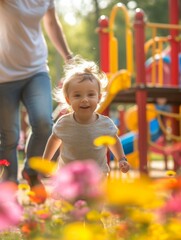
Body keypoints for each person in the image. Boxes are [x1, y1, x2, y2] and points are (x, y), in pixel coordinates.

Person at [0, 0, 73, 187]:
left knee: (44, 124)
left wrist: (67, 56)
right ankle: (9, 186)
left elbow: (51, 22)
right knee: (9, 137)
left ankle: (31, 172)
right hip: (4, 74)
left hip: (36, 69)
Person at [43, 56, 130, 175]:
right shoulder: (64, 123)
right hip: (69, 178)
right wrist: (45, 162)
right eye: (77, 95)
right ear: (68, 100)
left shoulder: (105, 124)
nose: (84, 100)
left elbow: (113, 141)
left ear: (99, 98)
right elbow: (54, 140)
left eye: (90, 95)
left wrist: (121, 159)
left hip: (97, 178)